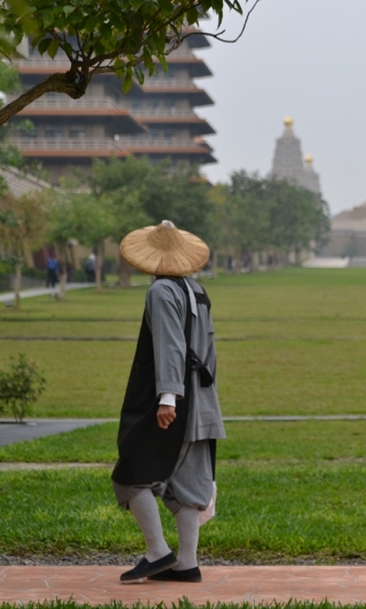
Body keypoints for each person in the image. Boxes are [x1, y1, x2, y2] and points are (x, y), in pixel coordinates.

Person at [111, 220, 224, 584]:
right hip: (201, 399)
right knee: (189, 482)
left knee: (131, 471)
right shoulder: (197, 290)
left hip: (173, 399)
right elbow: (208, 350)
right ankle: (187, 563)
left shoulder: (161, 291)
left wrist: (168, 398)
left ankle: (158, 552)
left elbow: (171, 345)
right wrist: (204, 400)